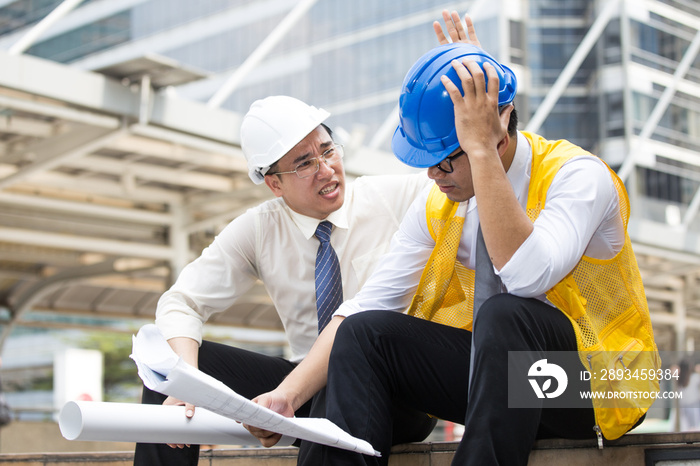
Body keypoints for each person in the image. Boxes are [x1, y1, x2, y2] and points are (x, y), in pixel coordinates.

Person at [249, 16, 662, 466]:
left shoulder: (577, 176)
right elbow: (364, 307)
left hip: (593, 388)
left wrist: (480, 146)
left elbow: (526, 274)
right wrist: (287, 396)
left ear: (497, 134)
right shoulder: (438, 205)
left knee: (508, 315)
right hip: (500, 387)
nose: (432, 175)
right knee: (364, 335)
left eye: (443, 162)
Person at [132, 94, 436, 465]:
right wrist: (185, 381)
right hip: (302, 388)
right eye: (305, 164)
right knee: (170, 374)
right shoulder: (260, 229)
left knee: (345, 364)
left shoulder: (395, 198)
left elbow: (468, 184)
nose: (326, 170)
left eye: (328, 151)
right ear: (274, 184)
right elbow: (182, 302)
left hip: (394, 391)